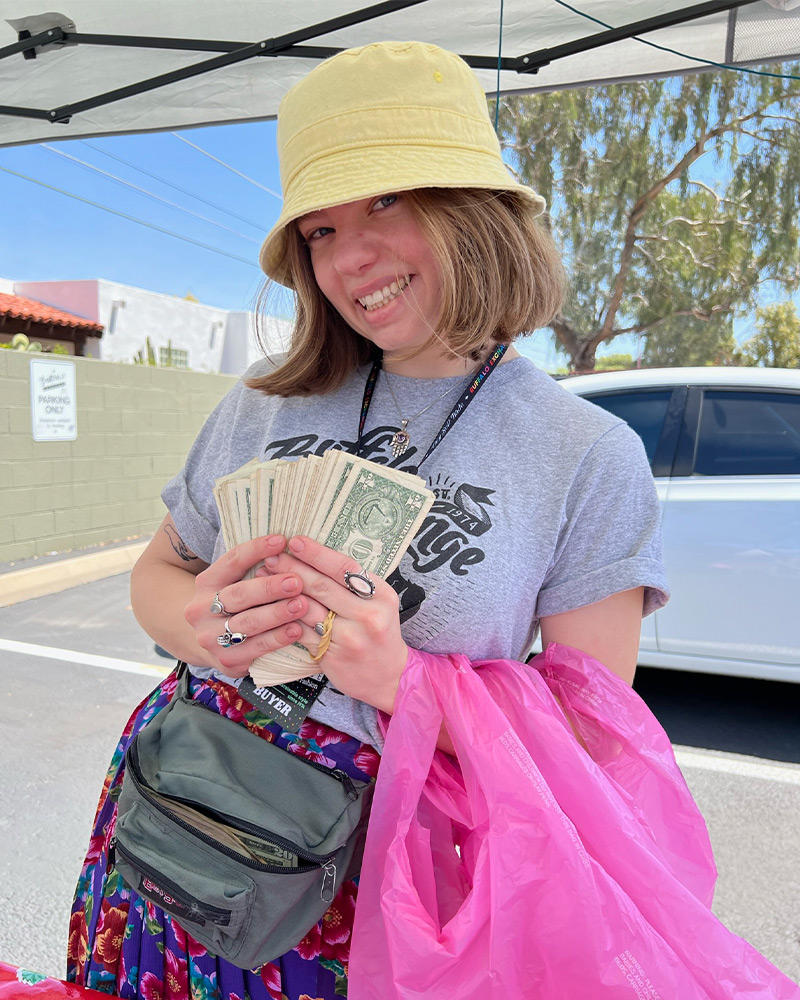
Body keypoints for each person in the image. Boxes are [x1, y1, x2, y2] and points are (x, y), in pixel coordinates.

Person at [67, 40, 668, 1000]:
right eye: (319, 229)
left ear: (475, 209)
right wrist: (201, 623)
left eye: (386, 200)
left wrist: (404, 682)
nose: (350, 257)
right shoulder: (265, 405)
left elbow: (590, 749)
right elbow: (159, 575)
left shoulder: (586, 453)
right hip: (186, 809)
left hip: (383, 880)